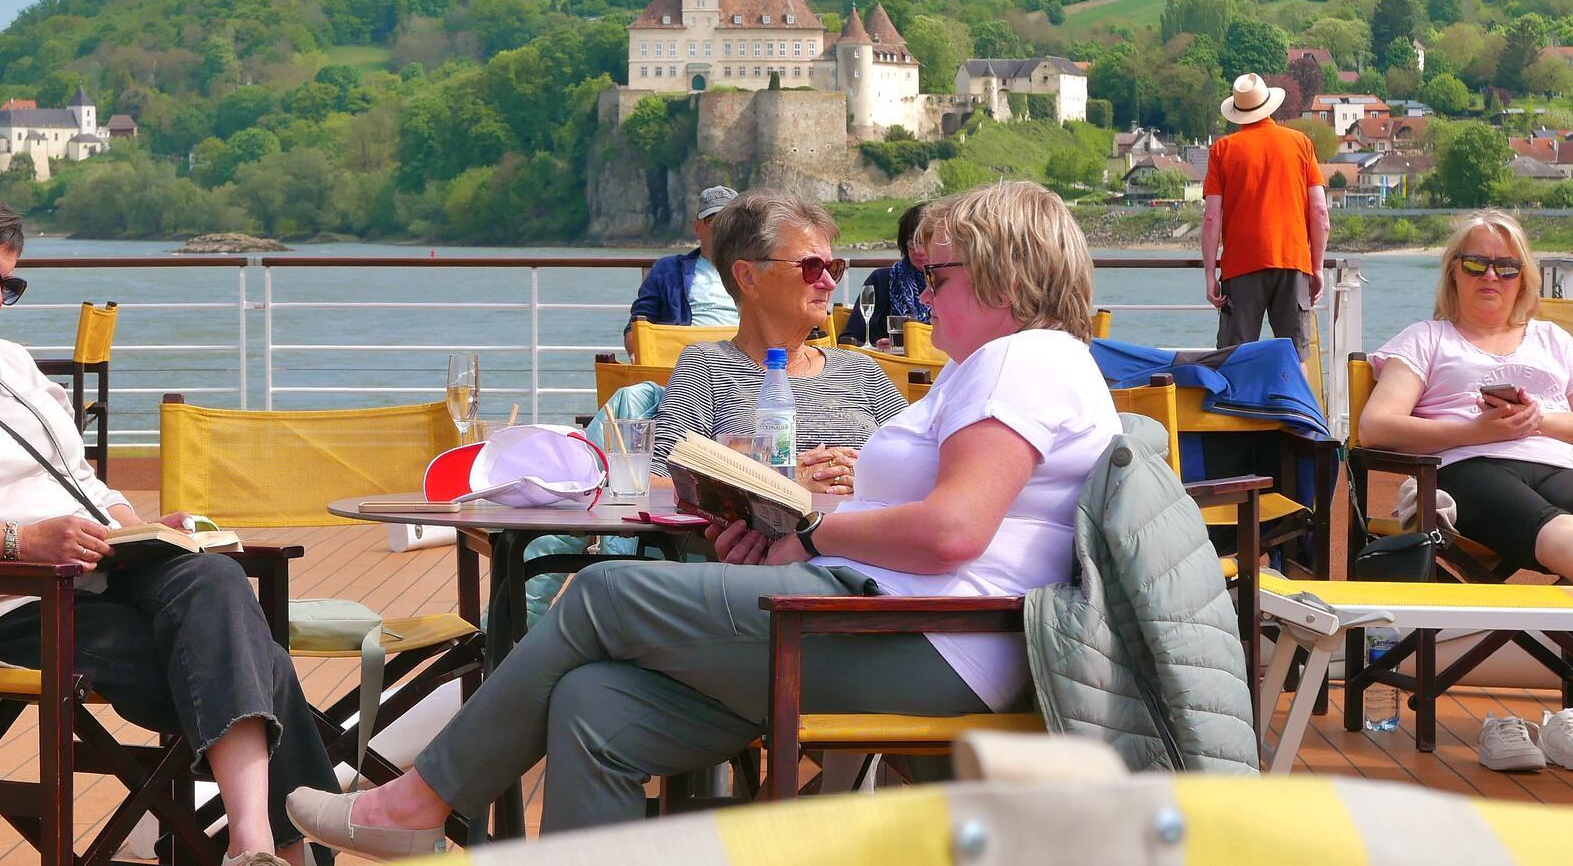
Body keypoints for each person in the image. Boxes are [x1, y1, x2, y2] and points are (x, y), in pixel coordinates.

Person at [283, 181, 1122, 854]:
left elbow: (952, 532)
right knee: (595, 703)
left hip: (921, 640)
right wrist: (788, 525)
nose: (923, 298)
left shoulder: (1021, 362)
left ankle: (417, 803)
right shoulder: (1021, 367)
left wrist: (809, 528)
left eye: (937, 279)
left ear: (1007, 280)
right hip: (880, 624)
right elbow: (944, 521)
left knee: (606, 594)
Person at [0, 176, 334, 866]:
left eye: (9, 284)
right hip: (1, 605)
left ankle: (248, 841)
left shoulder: (7, 364)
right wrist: (22, 541)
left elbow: (80, 482)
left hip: (95, 572)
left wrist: (141, 526)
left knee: (212, 577)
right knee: (238, 657)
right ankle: (283, 848)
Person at [1358, 211, 1573, 772]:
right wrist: (1476, 430)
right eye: (1477, 263)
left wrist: (1538, 421)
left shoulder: (1552, 339)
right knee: (1561, 530)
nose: (1492, 276)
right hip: (1467, 469)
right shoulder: (1427, 338)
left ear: (1524, 277)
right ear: (1453, 272)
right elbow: (1376, 426)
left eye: (1506, 267)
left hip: (1553, 460)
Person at [653, 191, 907, 495]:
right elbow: (655, 484)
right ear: (747, 276)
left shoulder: (860, 369)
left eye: (833, 268)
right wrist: (777, 485)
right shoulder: (708, 365)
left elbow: (923, 465)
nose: (829, 283)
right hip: (764, 541)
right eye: (812, 267)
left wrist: (869, 475)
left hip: (867, 536)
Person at [1201, 72, 1329, 355]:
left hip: (1241, 266)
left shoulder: (1222, 150)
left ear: (1237, 112)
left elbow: (1212, 217)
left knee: (1235, 358)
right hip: (1293, 261)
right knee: (1295, 358)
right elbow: (1320, 212)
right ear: (1269, 105)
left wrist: (1210, 274)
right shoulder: (1301, 143)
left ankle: (1239, 402)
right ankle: (1294, 401)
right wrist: (1316, 266)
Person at [623, 185, 739, 358]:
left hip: (741, 362)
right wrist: (638, 354)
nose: (721, 228)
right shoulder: (668, 270)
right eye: (712, 220)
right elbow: (637, 326)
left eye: (729, 221)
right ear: (697, 228)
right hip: (683, 362)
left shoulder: (759, 272)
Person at [838, 200, 932, 348]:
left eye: (926, 242)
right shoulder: (880, 280)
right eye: (912, 243)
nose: (919, 251)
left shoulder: (955, 284)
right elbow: (849, 338)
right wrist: (878, 348)